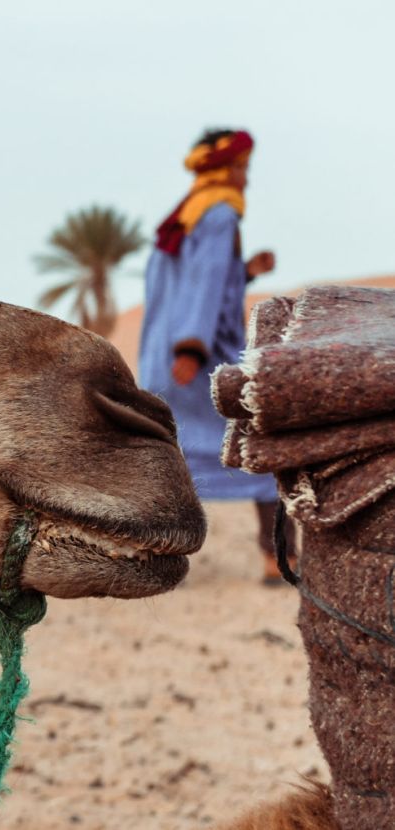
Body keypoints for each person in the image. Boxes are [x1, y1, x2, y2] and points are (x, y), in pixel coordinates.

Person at [138, 128, 284, 583]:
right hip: (201, 361)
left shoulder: (182, 218)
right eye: (242, 168)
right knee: (259, 448)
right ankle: (277, 558)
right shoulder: (220, 216)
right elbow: (203, 286)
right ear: (223, 169)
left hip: (160, 361)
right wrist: (192, 348)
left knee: (171, 457)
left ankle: (158, 554)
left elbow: (202, 279)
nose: (246, 179)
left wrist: (245, 271)